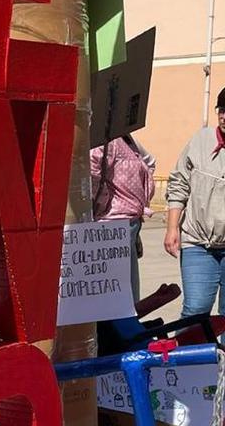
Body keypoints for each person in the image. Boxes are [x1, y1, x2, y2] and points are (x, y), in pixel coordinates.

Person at [166, 91, 225, 314]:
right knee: (196, 309)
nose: (224, 117)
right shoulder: (201, 140)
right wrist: (172, 228)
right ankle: (191, 349)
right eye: (221, 111)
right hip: (198, 244)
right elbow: (179, 183)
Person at [90, 135, 156, 307]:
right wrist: (101, 205)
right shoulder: (104, 141)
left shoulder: (127, 140)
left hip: (129, 222)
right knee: (120, 299)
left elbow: (150, 161)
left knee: (128, 296)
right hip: (111, 224)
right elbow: (92, 174)